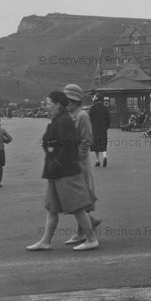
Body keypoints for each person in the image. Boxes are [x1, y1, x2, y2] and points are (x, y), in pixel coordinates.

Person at [27, 91, 99, 251]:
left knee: (77, 206)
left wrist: (57, 160)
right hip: (55, 171)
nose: (46, 107)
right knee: (51, 207)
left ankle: (91, 239)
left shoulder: (64, 121)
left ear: (58, 104)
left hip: (65, 171)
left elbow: (70, 145)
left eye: (48, 103)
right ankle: (45, 241)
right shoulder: (59, 120)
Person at [64, 84, 102, 245]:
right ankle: (82, 231)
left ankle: (87, 231)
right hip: (73, 161)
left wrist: (78, 156)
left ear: (74, 100)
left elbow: (87, 139)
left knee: (81, 196)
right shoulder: (73, 115)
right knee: (79, 196)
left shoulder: (82, 116)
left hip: (80, 162)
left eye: (67, 100)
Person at [89, 92, 111, 167]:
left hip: (95, 129)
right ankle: (105, 156)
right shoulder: (105, 108)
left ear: (96, 99)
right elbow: (108, 120)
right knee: (103, 143)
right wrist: (106, 127)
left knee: (96, 145)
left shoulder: (92, 108)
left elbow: (89, 118)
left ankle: (97, 160)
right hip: (103, 129)